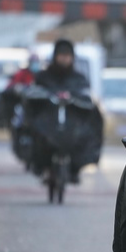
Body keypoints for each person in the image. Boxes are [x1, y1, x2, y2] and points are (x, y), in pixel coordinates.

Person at [33, 39, 91, 184]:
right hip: (48, 121)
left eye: (67, 55)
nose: (64, 59)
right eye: (61, 55)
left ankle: (74, 169)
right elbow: (35, 93)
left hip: (72, 124)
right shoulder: (43, 76)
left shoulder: (79, 78)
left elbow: (85, 95)